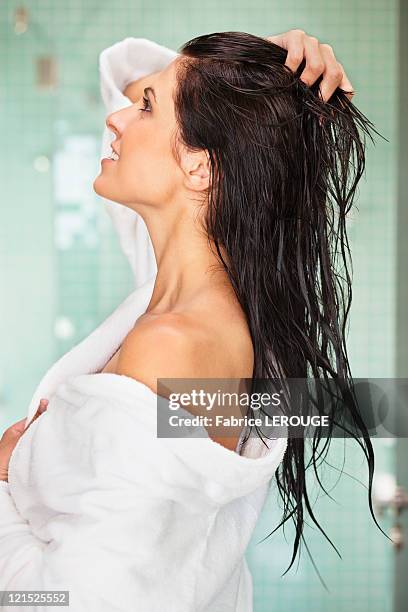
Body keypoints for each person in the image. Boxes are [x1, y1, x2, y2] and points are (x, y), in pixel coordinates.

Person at [0, 29, 377, 611]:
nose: (118, 118)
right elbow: (126, 77)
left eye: (146, 106)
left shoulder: (173, 345)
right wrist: (258, 76)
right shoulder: (190, 299)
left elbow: (72, 602)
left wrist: (4, 477)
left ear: (201, 167)